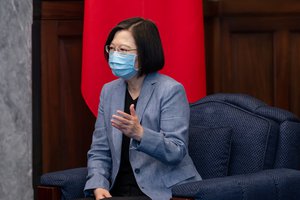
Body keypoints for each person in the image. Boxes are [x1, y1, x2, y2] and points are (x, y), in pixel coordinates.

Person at [84, 17, 202, 200]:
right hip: (118, 191)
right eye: (112, 48)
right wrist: (98, 184)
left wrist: (140, 133)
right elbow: (99, 150)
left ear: (145, 53)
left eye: (123, 50)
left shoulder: (170, 90)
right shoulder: (109, 92)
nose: (115, 55)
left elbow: (176, 151)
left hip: (163, 191)